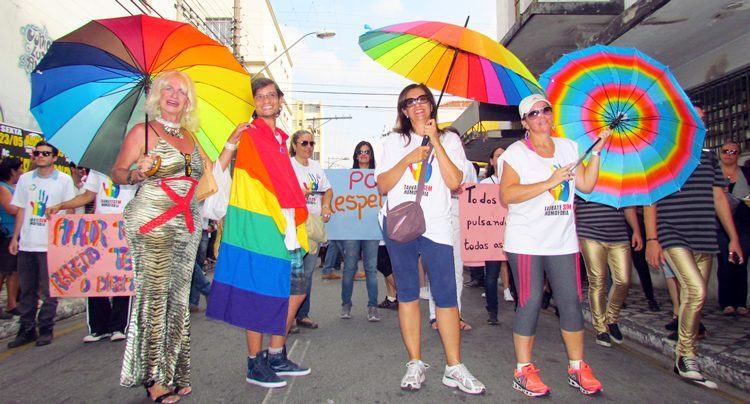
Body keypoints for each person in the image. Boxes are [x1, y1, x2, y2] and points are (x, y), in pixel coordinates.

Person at [111, 70, 227, 403]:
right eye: (168, 89)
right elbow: (119, 173)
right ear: (157, 96)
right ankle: (152, 378)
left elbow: (209, 175)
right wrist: (138, 170)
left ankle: (175, 371)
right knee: (154, 299)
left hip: (187, 223)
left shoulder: (192, 136)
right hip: (153, 220)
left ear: (189, 100)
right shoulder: (142, 132)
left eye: (182, 91)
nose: (175, 95)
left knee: (177, 299)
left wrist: (231, 143)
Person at [376, 83, 485, 394]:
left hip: (436, 225)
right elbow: (382, 184)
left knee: (446, 295)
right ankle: (415, 363)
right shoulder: (394, 140)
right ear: (404, 110)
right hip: (400, 223)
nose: (418, 105)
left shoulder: (450, 139)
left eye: (422, 99)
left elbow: (455, 182)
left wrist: (435, 141)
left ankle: (454, 366)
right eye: (410, 102)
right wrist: (408, 158)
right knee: (408, 294)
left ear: (430, 105)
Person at [500, 94, 610, 397]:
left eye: (545, 110)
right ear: (524, 122)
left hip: (562, 240)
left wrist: (597, 153)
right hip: (526, 240)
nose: (541, 116)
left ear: (552, 114)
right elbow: (507, 195)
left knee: (571, 301)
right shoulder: (516, 153)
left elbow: (586, 185)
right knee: (531, 300)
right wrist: (549, 182)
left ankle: (577, 366)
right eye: (533, 113)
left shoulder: (569, 148)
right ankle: (523, 370)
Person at [206, 77, 311, 389]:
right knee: (260, 291)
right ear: (253, 102)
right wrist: (230, 142)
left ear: (280, 100)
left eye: (271, 95)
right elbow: (219, 171)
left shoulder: (281, 137)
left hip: (287, 224)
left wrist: (295, 192)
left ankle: (276, 354)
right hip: (262, 226)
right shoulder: (249, 134)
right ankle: (255, 362)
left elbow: (277, 178)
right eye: (260, 96)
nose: (266, 100)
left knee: (295, 290)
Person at [645, 146, 742, 389]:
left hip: (704, 235)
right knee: (697, 290)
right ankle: (687, 356)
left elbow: (719, 197)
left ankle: (684, 358)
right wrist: (652, 239)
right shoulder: (660, 154)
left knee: (693, 297)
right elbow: (650, 198)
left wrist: (733, 237)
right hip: (672, 232)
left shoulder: (708, 156)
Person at [47, 169, 137, 343]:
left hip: (125, 227)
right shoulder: (97, 169)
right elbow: (87, 196)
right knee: (95, 277)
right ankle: (98, 328)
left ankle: (119, 326)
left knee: (122, 278)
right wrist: (61, 206)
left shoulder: (136, 168)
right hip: (98, 230)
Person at [7, 142, 76, 348]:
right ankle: (27, 329)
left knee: (49, 291)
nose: (40, 156)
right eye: (37, 153)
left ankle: (46, 328)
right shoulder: (25, 180)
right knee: (27, 290)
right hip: (28, 243)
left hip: (50, 244)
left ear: (54, 158)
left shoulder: (63, 181)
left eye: (45, 153)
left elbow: (70, 211)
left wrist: (59, 223)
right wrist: (15, 238)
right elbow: (20, 210)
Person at [575, 198, 642, 347]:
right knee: (597, 281)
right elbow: (573, 207)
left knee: (623, 281)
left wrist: (636, 230)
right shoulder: (584, 175)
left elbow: (629, 205)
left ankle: (611, 318)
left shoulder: (621, 175)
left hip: (618, 236)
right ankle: (600, 327)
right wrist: (575, 234)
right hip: (590, 234)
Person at [427, 154, 476, 331]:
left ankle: (456, 315)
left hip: (459, 222)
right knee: (436, 270)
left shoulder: (468, 166)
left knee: (457, 271)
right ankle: (434, 316)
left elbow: (474, 194)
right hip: (437, 221)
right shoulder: (433, 160)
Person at [290, 129, 333, 328]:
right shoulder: (288, 165)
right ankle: (286, 318)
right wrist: (300, 196)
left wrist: (325, 204)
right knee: (292, 274)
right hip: (294, 224)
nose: (308, 147)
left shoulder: (316, 166)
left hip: (313, 225)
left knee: (307, 274)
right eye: (304, 143)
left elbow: (328, 189)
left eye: (311, 144)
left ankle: (303, 314)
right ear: (294, 146)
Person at [339, 141, 381, 321]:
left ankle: (372, 306)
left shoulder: (379, 177)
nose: (364, 154)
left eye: (367, 152)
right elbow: (339, 200)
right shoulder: (347, 177)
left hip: (372, 228)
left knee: (371, 269)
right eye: (360, 152)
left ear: (371, 156)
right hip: (352, 229)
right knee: (349, 268)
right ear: (356, 155)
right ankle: (346, 304)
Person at [479, 146, 513, 325]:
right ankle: (492, 311)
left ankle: (521, 311)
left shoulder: (517, 181)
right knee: (491, 275)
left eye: (505, 155)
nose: (502, 158)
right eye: (498, 156)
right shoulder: (484, 185)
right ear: (491, 161)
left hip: (514, 236)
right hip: (492, 238)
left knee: (517, 275)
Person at [717, 140, 749, 315]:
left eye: (733, 152)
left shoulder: (746, 174)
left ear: (738, 154)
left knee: (742, 261)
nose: (728, 154)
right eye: (725, 151)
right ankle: (726, 302)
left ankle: (741, 302)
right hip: (720, 225)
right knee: (725, 262)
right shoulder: (715, 175)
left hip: (743, 223)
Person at [0, 158, 22, 320]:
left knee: (14, 271)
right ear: (12, 171)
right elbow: (11, 209)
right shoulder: (2, 188)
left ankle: (12, 303)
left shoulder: (15, 187)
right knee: (3, 271)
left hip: (18, 232)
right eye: (20, 169)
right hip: (7, 234)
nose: (21, 172)